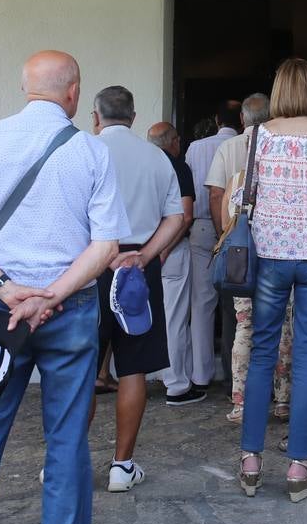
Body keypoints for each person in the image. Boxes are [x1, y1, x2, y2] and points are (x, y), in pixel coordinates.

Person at [0, 51, 126, 524]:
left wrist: (4, 288)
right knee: (66, 440)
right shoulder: (91, 151)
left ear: (26, 89)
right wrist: (51, 297)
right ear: (74, 92)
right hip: (70, 310)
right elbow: (107, 245)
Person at [237, 59, 307, 503]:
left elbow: (249, 192)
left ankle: (250, 462)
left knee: (263, 351)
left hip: (270, 253)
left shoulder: (260, 136)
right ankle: (299, 468)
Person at [89, 86, 184, 492]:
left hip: (88, 268)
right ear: (132, 115)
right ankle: (121, 466)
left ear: (96, 117)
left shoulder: (83, 151)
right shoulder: (157, 156)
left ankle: (65, 460)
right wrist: (144, 256)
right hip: (136, 270)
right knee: (133, 367)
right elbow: (176, 218)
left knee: (81, 369)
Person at [205, 93, 293, 423]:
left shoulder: (236, 177)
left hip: (243, 260)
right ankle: (282, 400)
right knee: (282, 329)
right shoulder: (284, 167)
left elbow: (225, 213)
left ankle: (240, 402)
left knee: (245, 329)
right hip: (278, 258)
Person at [172, 99, 240, 400]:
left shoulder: (196, 147)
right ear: (240, 120)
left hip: (200, 226)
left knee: (201, 303)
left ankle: (200, 375)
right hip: (239, 229)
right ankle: (237, 371)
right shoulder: (246, 144)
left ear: (215, 119)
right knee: (240, 302)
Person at [146, 122, 196, 399]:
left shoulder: (141, 165)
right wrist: (164, 250)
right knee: (175, 319)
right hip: (171, 251)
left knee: (150, 317)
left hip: (142, 252)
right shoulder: (177, 166)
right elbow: (186, 215)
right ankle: (177, 385)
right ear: (173, 141)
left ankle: (150, 374)